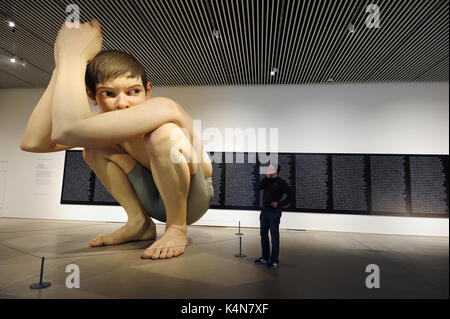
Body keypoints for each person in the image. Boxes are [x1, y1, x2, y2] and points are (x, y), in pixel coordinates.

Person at [19, 19, 213, 260]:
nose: (123, 103)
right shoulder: (99, 128)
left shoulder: (163, 108)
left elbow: (67, 130)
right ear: (91, 95)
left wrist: (73, 57)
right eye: (109, 94)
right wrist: (61, 68)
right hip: (152, 197)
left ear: (148, 90)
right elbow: (34, 142)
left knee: (164, 134)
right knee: (93, 148)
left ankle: (176, 228)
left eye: (133, 91)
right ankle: (139, 223)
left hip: (192, 199)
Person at [254, 163, 291, 269]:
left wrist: (279, 204)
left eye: (270, 168)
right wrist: (266, 177)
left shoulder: (281, 182)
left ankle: (274, 260)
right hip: (264, 212)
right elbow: (257, 188)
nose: (268, 169)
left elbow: (291, 195)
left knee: (274, 236)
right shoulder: (267, 180)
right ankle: (265, 258)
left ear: (275, 171)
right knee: (263, 235)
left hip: (274, 213)